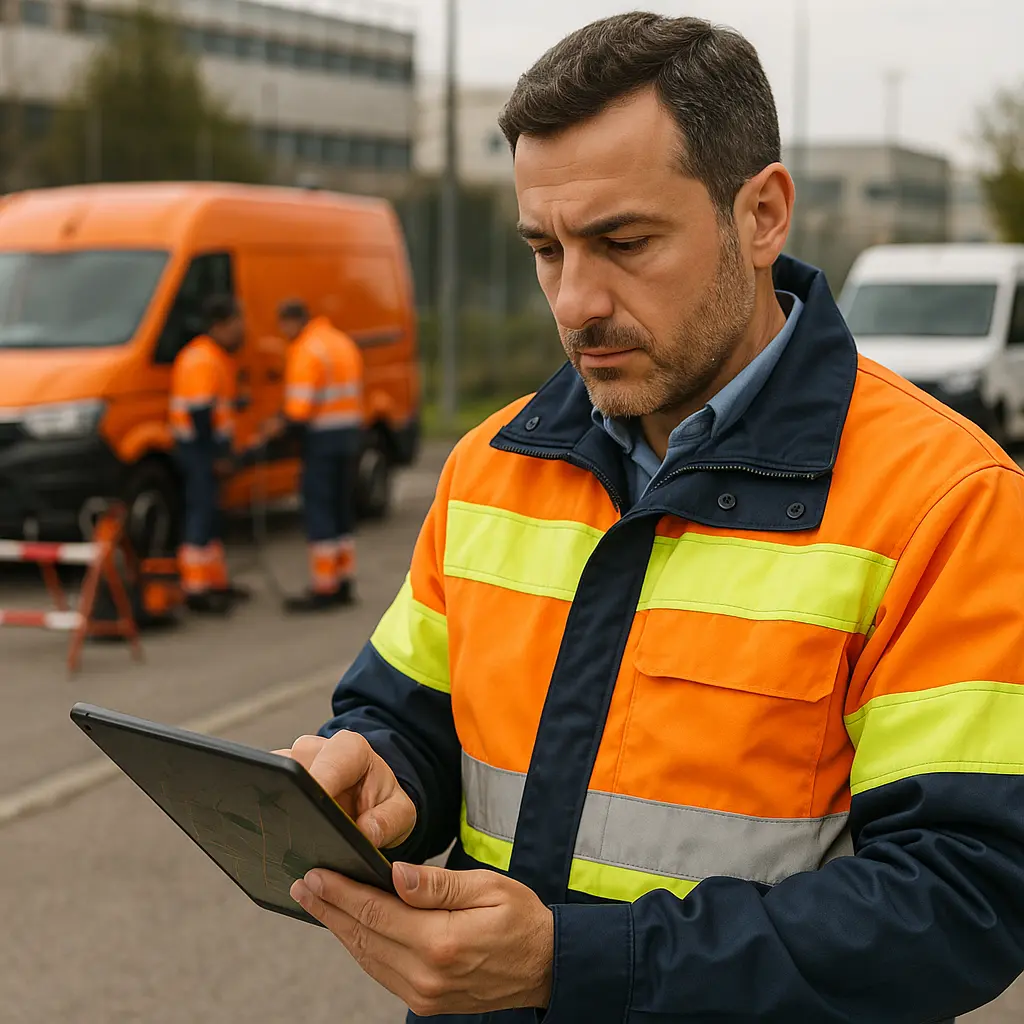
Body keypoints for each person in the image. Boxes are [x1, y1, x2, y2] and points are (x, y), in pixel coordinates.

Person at [275, 13, 1024, 1024]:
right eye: (544, 248)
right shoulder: (489, 465)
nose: (574, 299)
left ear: (761, 216)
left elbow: (962, 897)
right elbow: (409, 715)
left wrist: (574, 963)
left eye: (621, 242)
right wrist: (383, 777)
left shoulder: (946, 501)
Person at [276, 299, 363, 612]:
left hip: (321, 441)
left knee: (320, 511)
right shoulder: (341, 342)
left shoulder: (306, 349)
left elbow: (299, 410)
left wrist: (276, 431)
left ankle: (324, 586)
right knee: (341, 510)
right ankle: (344, 579)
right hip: (349, 436)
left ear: (292, 321)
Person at [169, 293, 247, 614]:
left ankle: (214, 582)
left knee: (212, 513)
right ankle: (196, 588)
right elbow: (200, 413)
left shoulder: (212, 356)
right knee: (201, 513)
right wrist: (217, 456)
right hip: (198, 449)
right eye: (236, 324)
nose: (241, 330)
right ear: (220, 325)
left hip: (203, 448)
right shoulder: (202, 358)